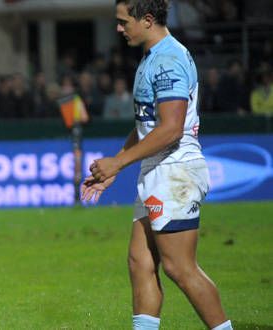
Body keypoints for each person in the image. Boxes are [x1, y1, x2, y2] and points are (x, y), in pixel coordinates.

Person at [81, 1, 232, 330]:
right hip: (158, 168)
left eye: (124, 23)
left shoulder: (167, 60)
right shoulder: (153, 56)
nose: (119, 29)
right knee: (140, 261)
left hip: (174, 169)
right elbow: (147, 123)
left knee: (180, 268)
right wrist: (116, 169)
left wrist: (117, 161)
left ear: (147, 20)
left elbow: (170, 128)